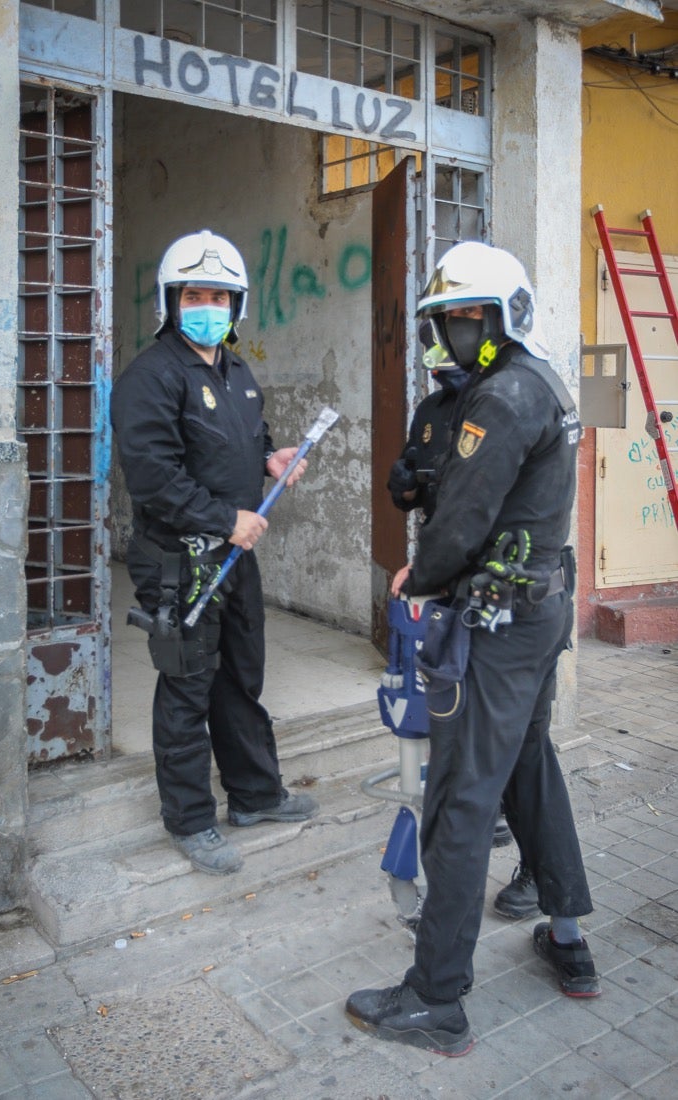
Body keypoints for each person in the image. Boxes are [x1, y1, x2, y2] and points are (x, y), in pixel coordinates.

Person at [346, 241, 599, 1058]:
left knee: (459, 800)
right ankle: (565, 937)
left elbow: (459, 522)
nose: (452, 333)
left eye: (465, 318)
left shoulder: (499, 398)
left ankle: (435, 997)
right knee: (529, 767)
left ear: (501, 318)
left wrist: (415, 578)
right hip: (538, 615)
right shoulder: (541, 383)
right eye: (445, 320)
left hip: (494, 628)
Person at [110, 229, 318, 876]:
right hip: (178, 561)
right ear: (170, 302)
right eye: (195, 294)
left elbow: (239, 441)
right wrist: (222, 518)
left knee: (240, 675)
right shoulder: (150, 377)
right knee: (186, 686)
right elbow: (152, 476)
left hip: (232, 553)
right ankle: (190, 819)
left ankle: (255, 795)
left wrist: (271, 457)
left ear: (237, 304)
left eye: (220, 295)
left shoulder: (233, 369)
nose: (208, 305)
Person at [387, 345, 528, 858]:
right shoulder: (430, 412)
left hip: (480, 576)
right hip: (441, 569)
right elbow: (410, 494)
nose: (440, 369)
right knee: (449, 701)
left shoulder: (498, 404)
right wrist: (401, 488)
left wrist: (429, 572)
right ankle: (466, 808)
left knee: (491, 712)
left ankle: (493, 813)